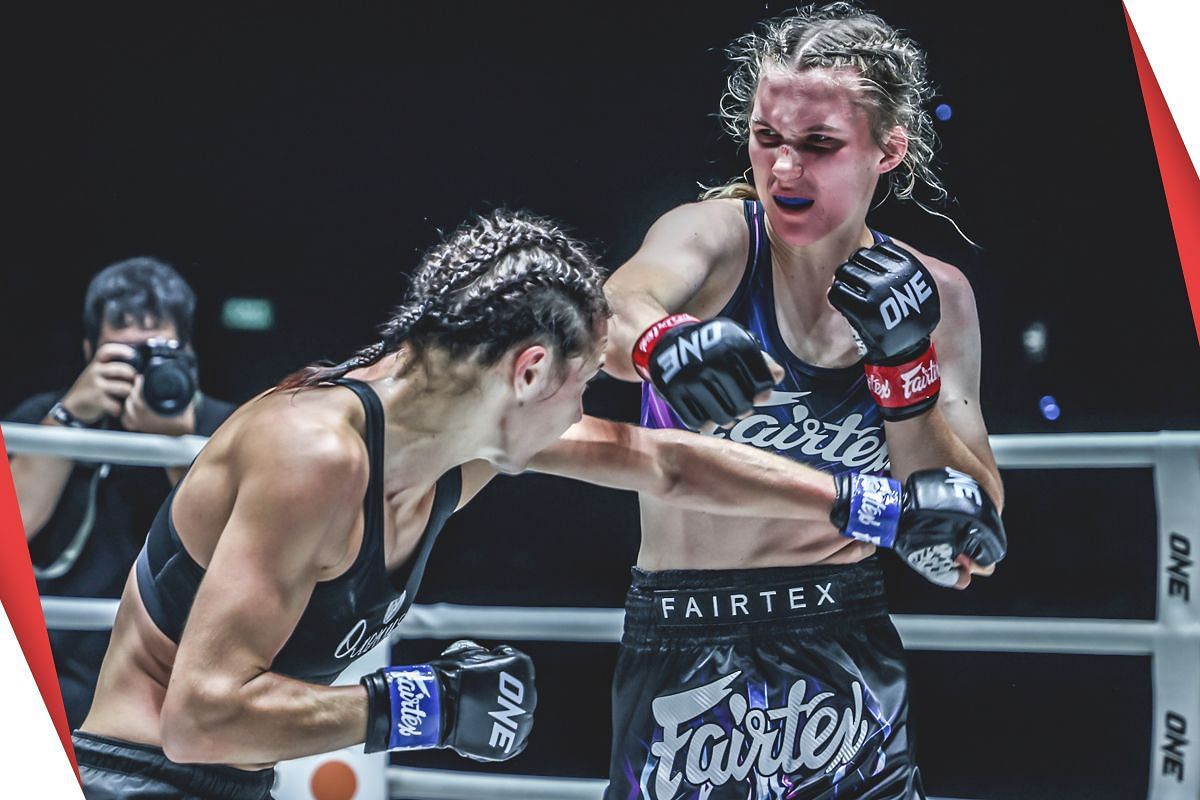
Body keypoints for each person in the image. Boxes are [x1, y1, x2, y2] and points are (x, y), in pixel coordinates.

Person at [73, 209, 1002, 799]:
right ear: (528, 372)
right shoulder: (314, 453)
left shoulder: (455, 439)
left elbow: (670, 465)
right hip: (133, 777)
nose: (588, 408)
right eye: (580, 385)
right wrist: (422, 707)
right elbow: (201, 716)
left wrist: (874, 506)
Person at [598, 4, 1006, 797]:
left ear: (888, 150)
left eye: (819, 145)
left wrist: (906, 377)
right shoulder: (716, 239)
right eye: (767, 138)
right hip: (689, 645)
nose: (784, 169)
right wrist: (661, 343)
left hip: (845, 642)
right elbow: (613, 309)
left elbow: (968, 529)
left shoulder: (939, 298)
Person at [5, 256, 236, 730]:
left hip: (176, 683)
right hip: (56, 675)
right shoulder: (46, 418)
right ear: (91, 350)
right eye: (124, 356)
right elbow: (14, 528)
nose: (140, 372)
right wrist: (70, 419)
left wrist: (177, 449)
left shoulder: (228, 431)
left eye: (157, 354)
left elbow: (235, 551)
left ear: (187, 352)